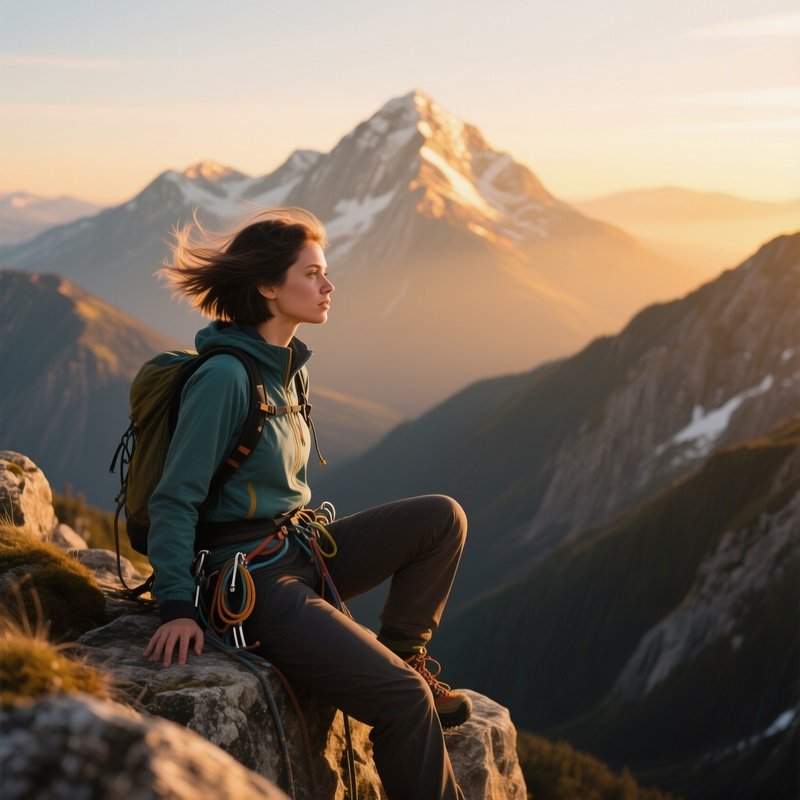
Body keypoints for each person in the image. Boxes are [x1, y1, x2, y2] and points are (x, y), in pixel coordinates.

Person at [142, 207, 470, 799]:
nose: (328, 285)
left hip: (299, 547)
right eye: (313, 273)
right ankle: (402, 684)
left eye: (325, 272)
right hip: (254, 581)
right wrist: (175, 606)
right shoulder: (225, 378)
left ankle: (403, 653)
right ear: (268, 286)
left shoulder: (290, 371)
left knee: (441, 518)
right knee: (402, 701)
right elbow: (175, 500)